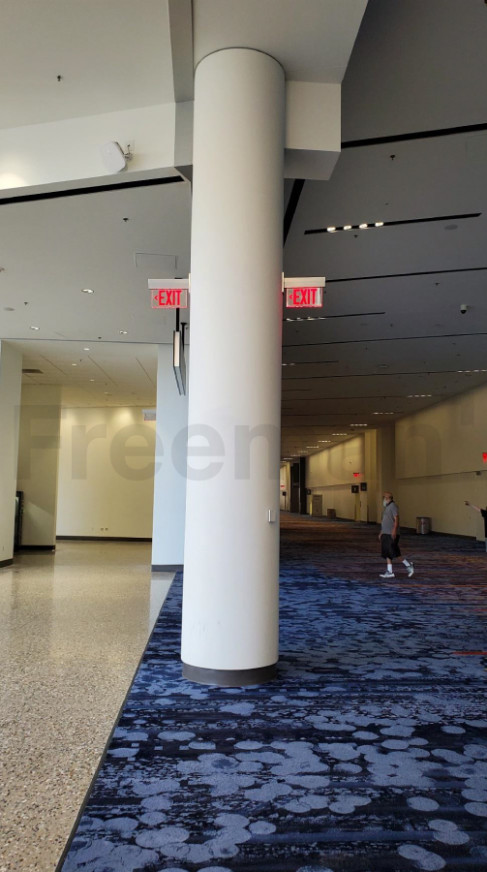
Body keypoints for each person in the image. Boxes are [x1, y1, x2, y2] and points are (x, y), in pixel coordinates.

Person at [379, 492, 414, 579]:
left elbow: (396, 518)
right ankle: (405, 566)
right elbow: (385, 521)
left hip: (391, 533)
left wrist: (394, 530)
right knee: (392, 552)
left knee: (391, 552)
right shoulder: (387, 507)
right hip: (386, 533)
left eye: (384, 497)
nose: (383, 499)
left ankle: (393, 571)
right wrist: (382, 532)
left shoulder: (393, 506)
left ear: (388, 498)